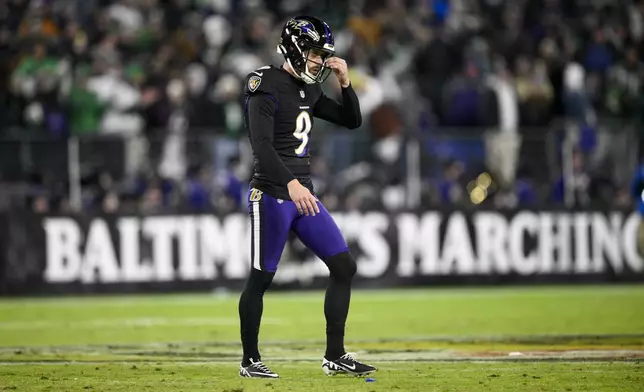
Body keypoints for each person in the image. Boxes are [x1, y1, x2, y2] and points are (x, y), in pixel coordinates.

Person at [238, 16, 377, 378]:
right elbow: (262, 146)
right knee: (261, 277)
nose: (319, 61)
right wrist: (291, 184)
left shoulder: (310, 89)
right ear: (297, 49)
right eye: (315, 53)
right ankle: (250, 360)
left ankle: (335, 354)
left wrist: (346, 84)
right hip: (272, 192)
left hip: (302, 194)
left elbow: (351, 121)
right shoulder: (264, 82)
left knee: (344, 266)